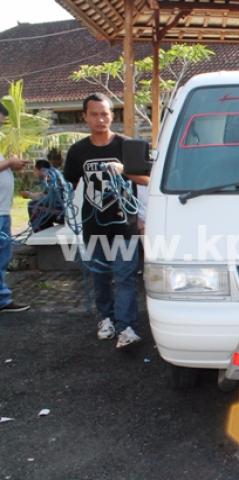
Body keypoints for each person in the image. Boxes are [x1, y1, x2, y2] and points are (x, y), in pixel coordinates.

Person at [63, 93, 149, 349]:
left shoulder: (127, 146)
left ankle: (127, 327)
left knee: (125, 278)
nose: (100, 119)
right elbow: (68, 185)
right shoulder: (78, 151)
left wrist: (125, 170)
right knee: (99, 277)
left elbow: (148, 180)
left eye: (105, 114)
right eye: (94, 114)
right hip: (94, 227)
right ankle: (106, 319)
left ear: (112, 116)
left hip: (124, 226)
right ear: (85, 117)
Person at [0, 104, 30, 313]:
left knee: (3, 258)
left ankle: (2, 299)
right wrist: (10, 162)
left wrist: (12, 164)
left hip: (3, 211)